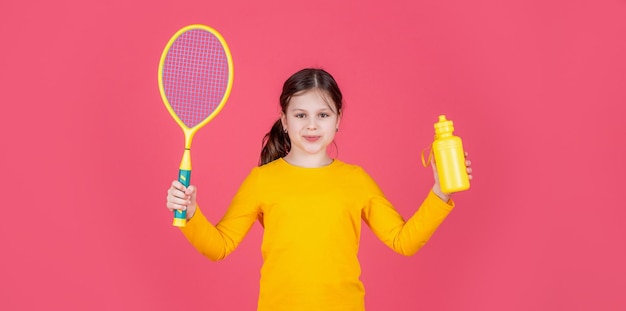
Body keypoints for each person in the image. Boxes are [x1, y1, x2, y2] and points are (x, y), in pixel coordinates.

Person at [166, 68, 473, 311]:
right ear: (284, 121)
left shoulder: (356, 180)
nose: (311, 125)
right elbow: (219, 246)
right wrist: (191, 214)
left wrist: (440, 192)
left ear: (338, 120)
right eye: (301, 115)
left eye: (322, 115)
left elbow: (403, 241)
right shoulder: (262, 180)